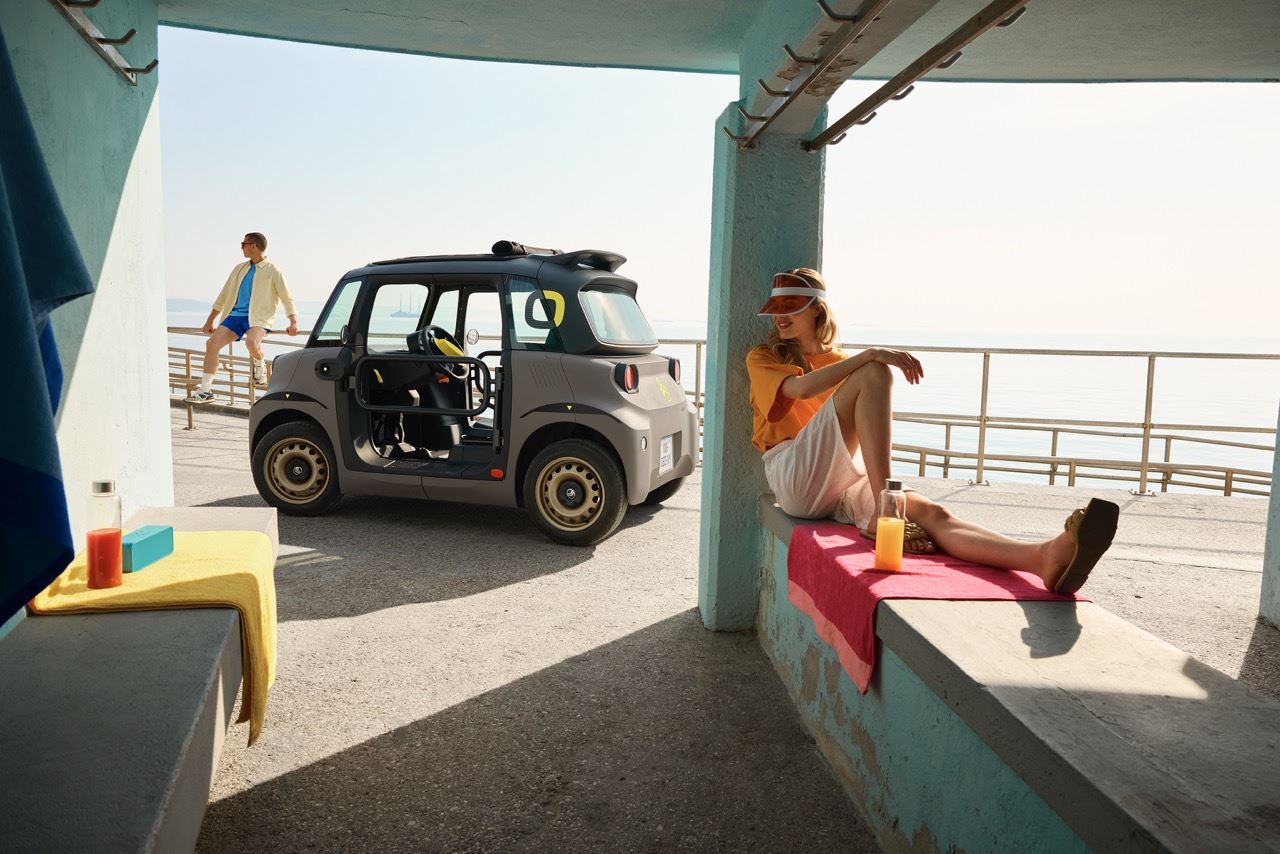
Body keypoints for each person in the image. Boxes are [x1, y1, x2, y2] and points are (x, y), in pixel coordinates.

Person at [745, 267, 1118, 594]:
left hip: (842, 482)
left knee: (933, 513)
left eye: (791, 307)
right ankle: (886, 508)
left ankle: (1041, 558)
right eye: (775, 310)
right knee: (875, 373)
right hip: (794, 474)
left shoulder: (846, 365)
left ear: (816, 308)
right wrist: (870, 355)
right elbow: (799, 390)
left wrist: (864, 361)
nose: (780, 318)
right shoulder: (764, 357)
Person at [185, 232, 299, 403]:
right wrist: (210, 320)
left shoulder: (273, 271)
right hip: (235, 316)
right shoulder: (239, 269)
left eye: (243, 244)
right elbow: (224, 295)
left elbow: (287, 298)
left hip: (259, 318)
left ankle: (260, 366)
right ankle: (205, 390)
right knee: (211, 344)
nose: (241, 248)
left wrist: (293, 321)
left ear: (253, 246)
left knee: (251, 343)